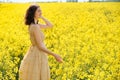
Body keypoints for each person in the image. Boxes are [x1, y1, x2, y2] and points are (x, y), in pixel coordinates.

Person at [19, 4, 63, 80]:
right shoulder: (35, 27)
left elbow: (50, 25)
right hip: (38, 54)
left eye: (41, 10)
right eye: (38, 11)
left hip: (35, 52)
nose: (41, 12)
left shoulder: (34, 25)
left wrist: (41, 17)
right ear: (33, 13)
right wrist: (54, 54)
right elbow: (40, 46)